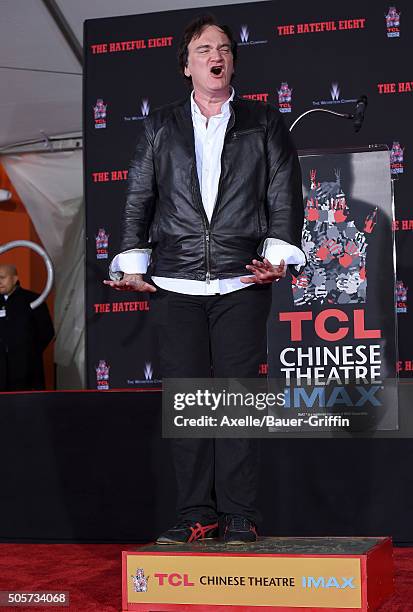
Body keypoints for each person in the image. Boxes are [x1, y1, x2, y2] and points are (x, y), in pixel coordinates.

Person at [105, 15, 306, 545]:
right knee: (190, 403)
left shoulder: (264, 122)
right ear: (186, 65)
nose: (215, 55)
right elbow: (138, 200)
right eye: (202, 49)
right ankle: (197, 512)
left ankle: (240, 514)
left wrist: (278, 255)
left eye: (223, 48)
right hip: (176, 285)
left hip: (242, 282)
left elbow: (285, 194)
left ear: (232, 62)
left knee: (238, 400)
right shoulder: (160, 126)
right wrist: (132, 263)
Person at [0, 264, 54, 391]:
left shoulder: (32, 299)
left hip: (26, 371)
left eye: (2, 277)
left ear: (14, 279)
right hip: (1, 372)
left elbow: (47, 332)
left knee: (26, 407)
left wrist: (28, 352)